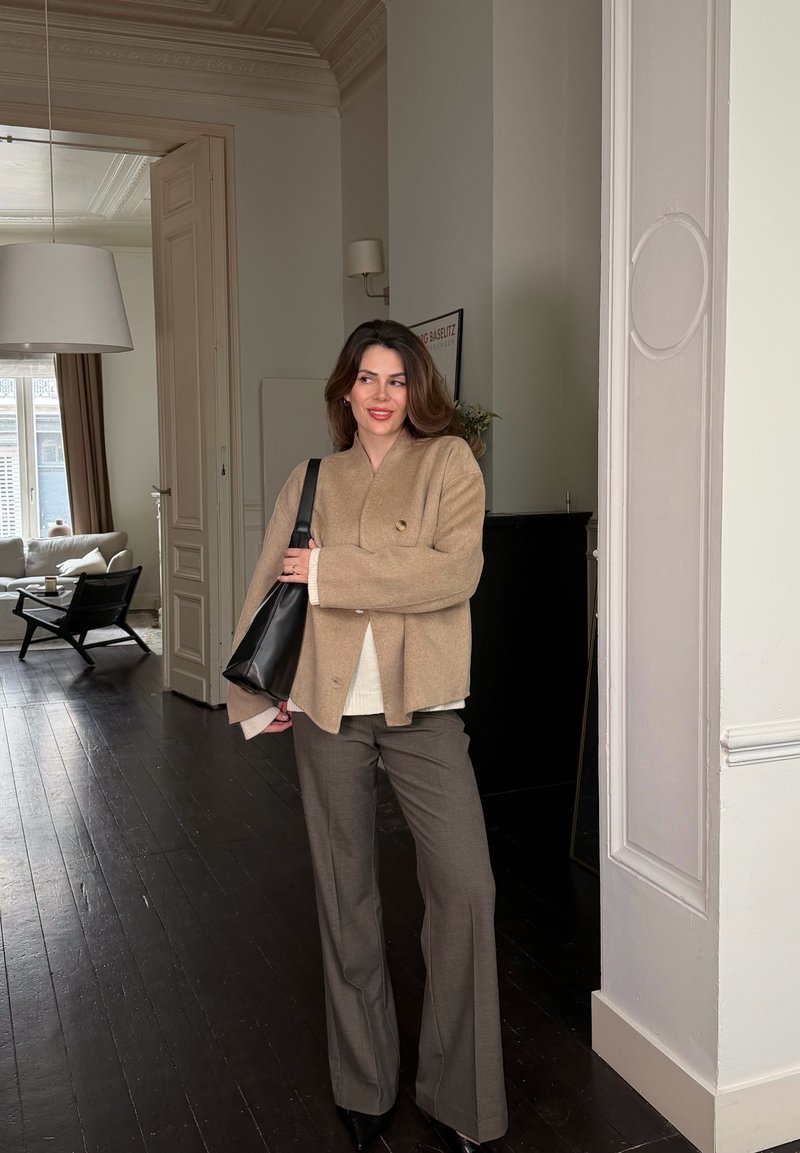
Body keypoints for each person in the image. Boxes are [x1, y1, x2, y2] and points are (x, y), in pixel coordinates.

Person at [227, 319, 508, 1153]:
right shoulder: (313, 477)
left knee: (467, 887)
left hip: (424, 708)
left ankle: (460, 1092)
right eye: (366, 378)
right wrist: (257, 693)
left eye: (395, 379)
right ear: (344, 388)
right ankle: (364, 1078)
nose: (381, 395)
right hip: (326, 706)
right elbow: (267, 582)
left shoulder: (449, 462)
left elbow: (453, 572)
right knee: (345, 893)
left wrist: (333, 573)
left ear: (415, 389)